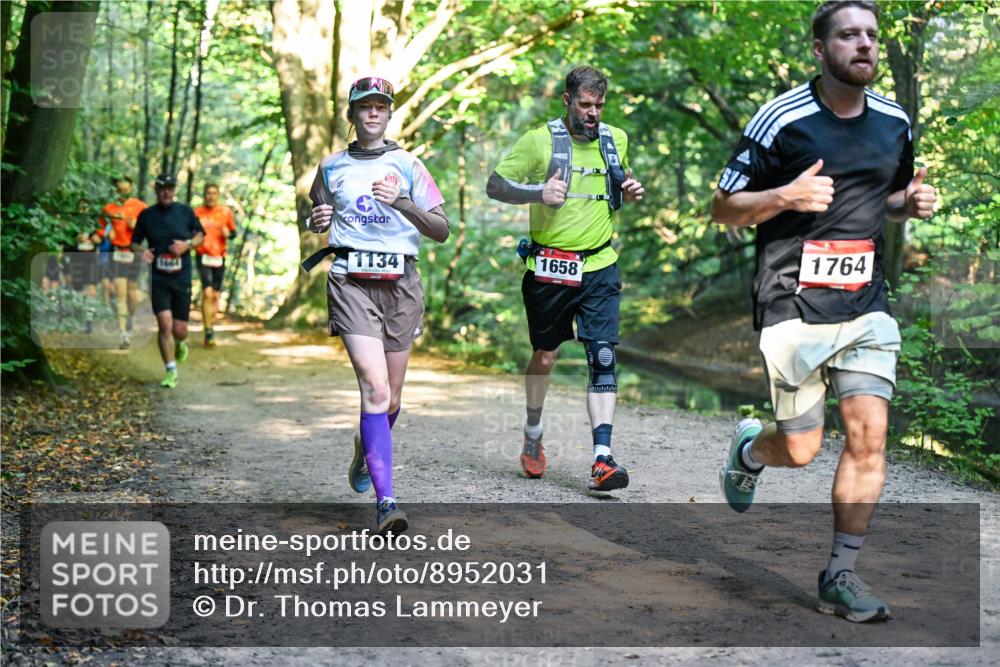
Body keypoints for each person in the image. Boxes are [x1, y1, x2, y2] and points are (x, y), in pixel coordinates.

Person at [711, 0, 936, 623]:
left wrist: (908, 204)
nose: (863, 45)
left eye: (870, 35)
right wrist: (785, 195)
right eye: (848, 35)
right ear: (820, 49)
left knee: (869, 435)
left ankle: (840, 575)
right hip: (792, 302)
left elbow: (886, 200)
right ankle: (753, 451)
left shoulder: (894, 122)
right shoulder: (782, 119)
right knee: (803, 448)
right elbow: (723, 207)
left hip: (866, 304)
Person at [485, 65, 644, 492]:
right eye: (585, 104)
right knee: (546, 356)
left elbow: (617, 186)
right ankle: (533, 432)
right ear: (567, 101)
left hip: (600, 265)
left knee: (603, 356)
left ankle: (603, 459)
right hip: (550, 269)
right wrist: (538, 194)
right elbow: (495, 186)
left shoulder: (616, 139)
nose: (593, 113)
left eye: (599, 105)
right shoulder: (539, 141)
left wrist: (628, 190)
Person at [306, 76, 449, 536]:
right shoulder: (330, 168)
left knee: (392, 399)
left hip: (401, 283)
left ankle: (364, 447)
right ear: (351, 115)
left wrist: (403, 202)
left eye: (380, 107)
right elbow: (318, 211)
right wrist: (316, 219)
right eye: (364, 107)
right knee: (375, 388)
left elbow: (441, 229)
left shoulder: (408, 164)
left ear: (389, 114)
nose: (372, 113)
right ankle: (387, 503)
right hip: (351, 282)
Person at [131, 174, 205, 388]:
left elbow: (201, 235)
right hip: (158, 278)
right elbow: (134, 243)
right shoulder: (146, 215)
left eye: (170, 188)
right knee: (165, 324)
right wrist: (142, 252)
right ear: (156, 189)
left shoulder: (185, 212)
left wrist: (187, 245)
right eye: (162, 188)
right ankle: (170, 370)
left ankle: (180, 344)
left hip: (181, 278)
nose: (166, 192)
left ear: (174, 190)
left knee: (179, 330)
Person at [99, 176, 147, 348]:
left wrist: (138, 226)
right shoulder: (108, 208)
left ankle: (131, 320)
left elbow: (149, 227)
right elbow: (100, 227)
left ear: (131, 188)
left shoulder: (140, 206)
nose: (123, 194)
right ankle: (123, 335)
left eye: (126, 190)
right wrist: (106, 233)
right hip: (118, 252)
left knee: (131, 294)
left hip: (133, 252)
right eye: (120, 191)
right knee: (120, 294)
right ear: (115, 190)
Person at [193, 183, 237, 347]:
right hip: (202, 255)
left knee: (216, 295)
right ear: (204, 195)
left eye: (214, 193)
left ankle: (210, 327)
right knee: (207, 292)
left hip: (219, 256)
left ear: (217, 195)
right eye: (208, 193)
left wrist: (229, 234)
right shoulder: (197, 212)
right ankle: (208, 330)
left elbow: (233, 233)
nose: (211, 196)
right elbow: (189, 230)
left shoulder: (225, 212)